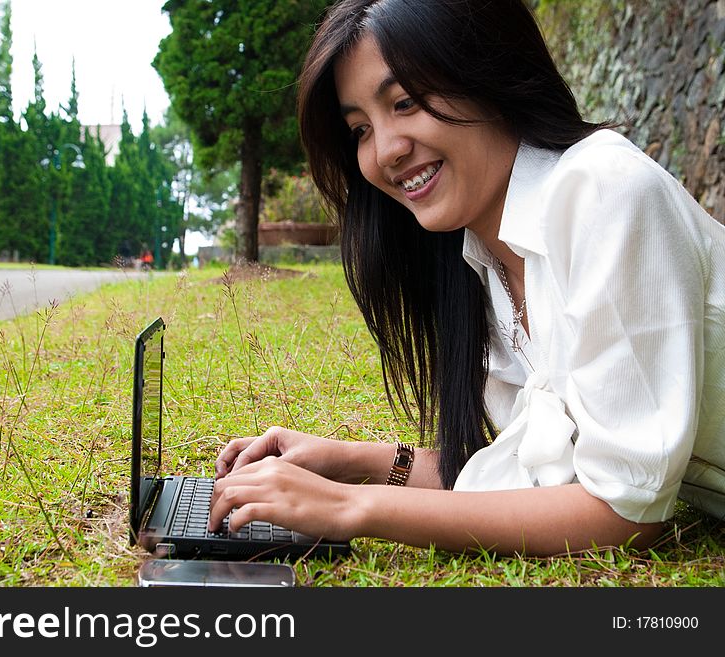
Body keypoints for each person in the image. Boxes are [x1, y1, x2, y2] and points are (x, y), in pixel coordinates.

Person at [209, 0, 725, 556]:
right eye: (360, 128)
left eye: (404, 101)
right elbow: (539, 482)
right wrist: (347, 462)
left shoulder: (604, 191)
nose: (386, 152)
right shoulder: (482, 262)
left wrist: (350, 509)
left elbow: (623, 510)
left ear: (487, 74)